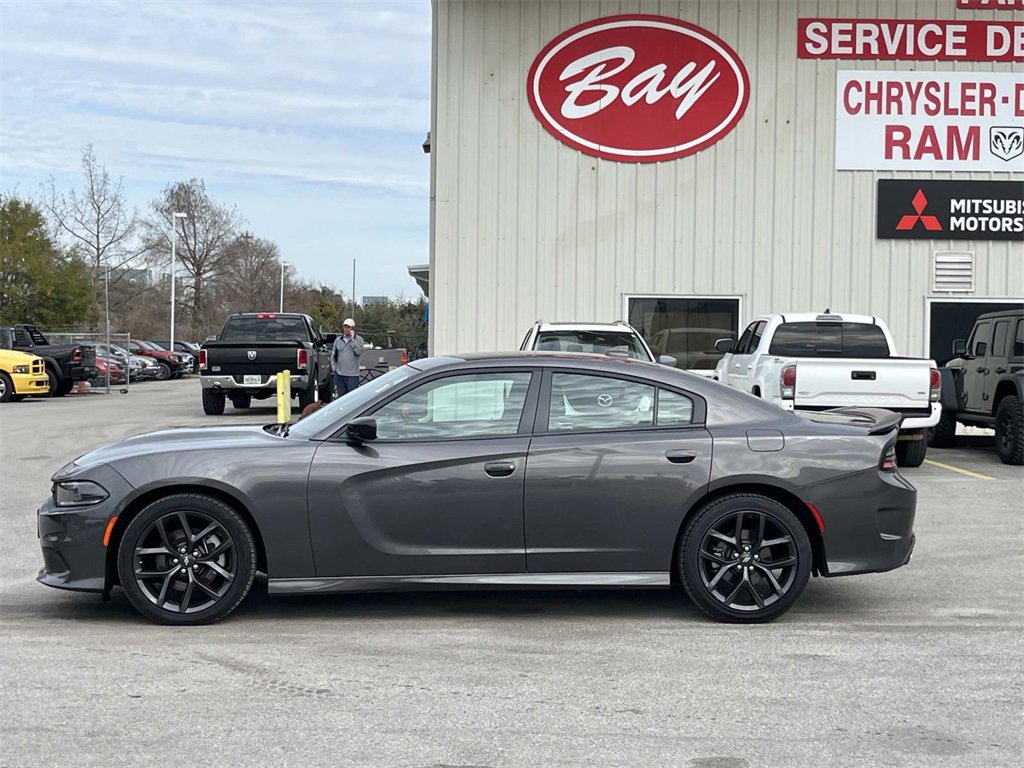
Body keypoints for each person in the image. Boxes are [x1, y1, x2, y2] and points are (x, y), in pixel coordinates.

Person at [331, 318, 364, 396]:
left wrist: (352, 341)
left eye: (348, 327)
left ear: (353, 329)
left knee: (352, 398)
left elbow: (358, 352)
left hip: (352, 375)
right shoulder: (338, 340)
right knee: (341, 398)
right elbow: (333, 355)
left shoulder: (359, 340)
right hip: (339, 374)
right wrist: (334, 369)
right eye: (345, 327)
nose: (346, 329)